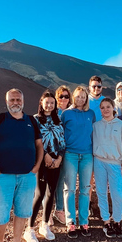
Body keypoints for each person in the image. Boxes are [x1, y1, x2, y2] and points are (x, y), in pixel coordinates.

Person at [0, 89, 44, 242]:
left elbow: (39, 145)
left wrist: (36, 167)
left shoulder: (31, 121)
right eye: (12, 99)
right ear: (7, 101)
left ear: (23, 101)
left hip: (27, 176)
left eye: (18, 99)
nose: (15, 102)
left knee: (22, 212)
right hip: (2, 177)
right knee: (1, 214)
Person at [23, 90, 66, 242]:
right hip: (40, 161)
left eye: (52, 103)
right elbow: (34, 141)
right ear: (41, 103)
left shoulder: (58, 120)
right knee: (39, 193)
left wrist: (59, 158)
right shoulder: (34, 120)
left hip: (56, 161)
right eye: (46, 102)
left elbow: (62, 142)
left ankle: (45, 224)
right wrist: (46, 155)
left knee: (51, 192)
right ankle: (29, 229)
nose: (49, 105)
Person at [93, 97, 122, 238]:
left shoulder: (121, 125)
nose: (105, 110)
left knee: (117, 194)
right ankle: (106, 221)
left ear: (113, 108)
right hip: (99, 162)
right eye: (102, 107)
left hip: (115, 163)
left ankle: (117, 221)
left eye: (108, 107)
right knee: (101, 192)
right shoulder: (96, 126)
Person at [61, 86, 95, 238]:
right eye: (78, 96)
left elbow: (93, 133)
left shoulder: (91, 114)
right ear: (73, 97)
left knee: (85, 188)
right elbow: (60, 133)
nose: (81, 99)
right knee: (69, 189)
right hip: (70, 154)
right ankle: (70, 222)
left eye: (83, 96)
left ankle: (84, 221)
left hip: (87, 155)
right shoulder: (66, 113)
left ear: (86, 99)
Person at [52, 85, 72, 225]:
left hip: (68, 151)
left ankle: (60, 209)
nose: (64, 99)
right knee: (53, 182)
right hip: (55, 151)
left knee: (64, 181)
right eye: (61, 96)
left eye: (66, 96)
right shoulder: (53, 113)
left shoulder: (71, 112)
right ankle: (56, 210)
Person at [87, 76, 105, 217]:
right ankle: (87, 204)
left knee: (101, 177)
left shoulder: (105, 102)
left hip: (103, 144)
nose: (96, 89)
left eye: (98, 86)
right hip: (88, 144)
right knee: (88, 178)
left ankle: (101, 204)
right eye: (94, 86)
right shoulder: (85, 101)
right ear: (89, 87)